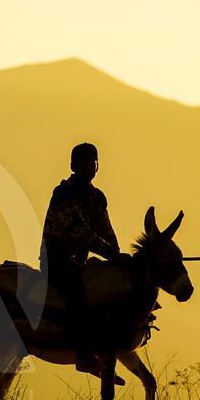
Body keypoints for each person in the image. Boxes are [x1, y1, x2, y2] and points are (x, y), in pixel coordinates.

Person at [40, 142, 129, 371]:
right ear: (73, 166)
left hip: (79, 262)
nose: (88, 166)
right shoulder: (63, 194)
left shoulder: (97, 198)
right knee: (79, 292)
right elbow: (81, 232)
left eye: (92, 162)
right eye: (83, 162)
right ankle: (82, 355)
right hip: (56, 262)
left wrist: (119, 259)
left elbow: (106, 231)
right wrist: (111, 254)